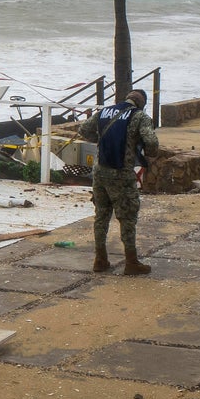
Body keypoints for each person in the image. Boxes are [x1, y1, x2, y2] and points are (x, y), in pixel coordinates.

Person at [78, 89, 159, 275]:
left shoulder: (104, 112)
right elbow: (151, 142)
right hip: (121, 173)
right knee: (128, 217)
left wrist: (102, 140)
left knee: (101, 215)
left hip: (99, 171)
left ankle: (100, 259)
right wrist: (149, 152)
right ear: (141, 103)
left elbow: (83, 130)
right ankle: (131, 262)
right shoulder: (140, 116)